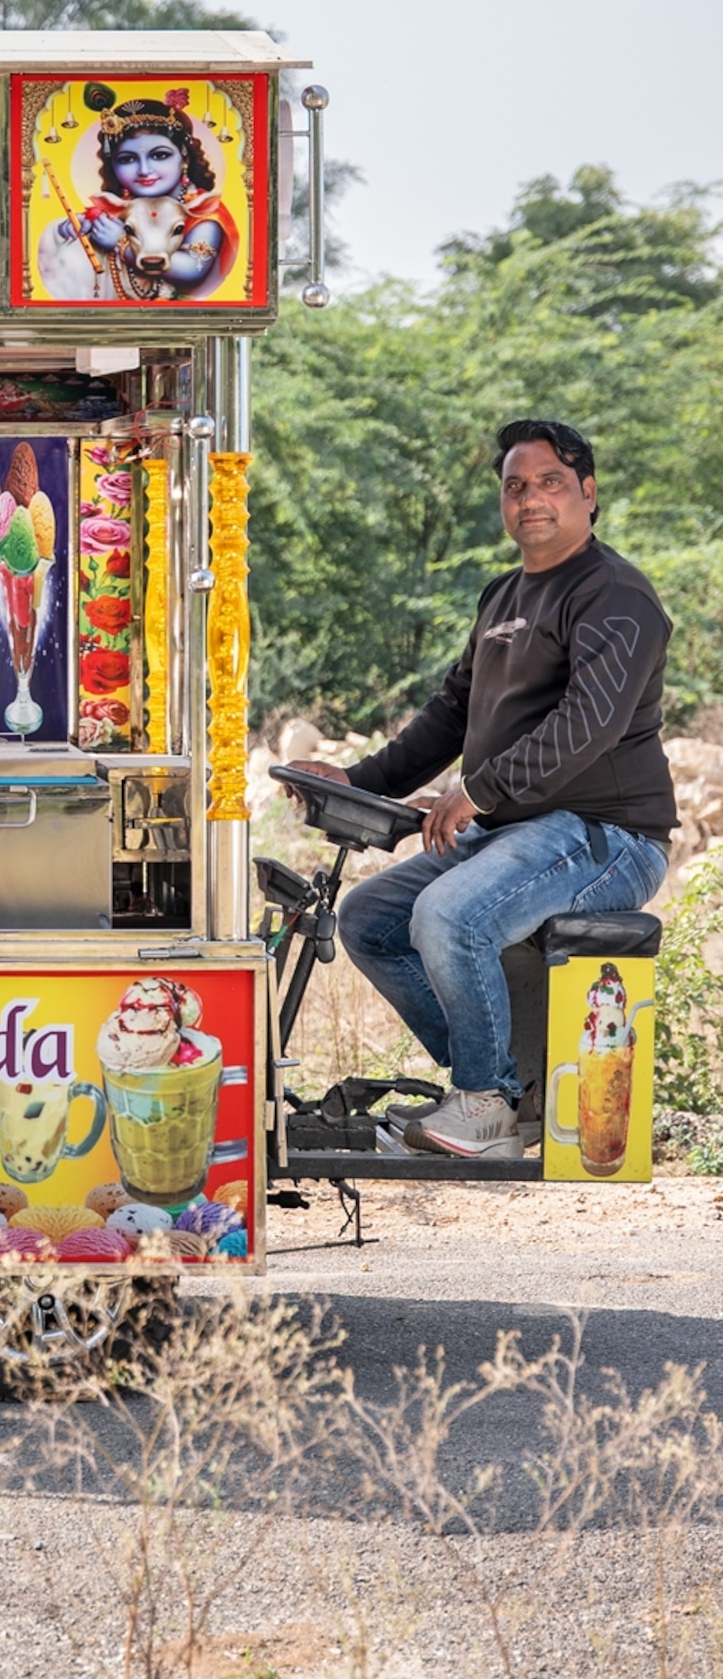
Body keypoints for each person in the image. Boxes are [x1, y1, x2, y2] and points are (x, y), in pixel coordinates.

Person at [291, 418, 673, 1160]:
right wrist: (358, 784)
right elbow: (450, 715)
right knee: (370, 917)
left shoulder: (616, 593)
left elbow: (589, 724)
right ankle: (509, 1087)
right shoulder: (504, 595)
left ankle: (485, 1103)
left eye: (551, 482)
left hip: (606, 836)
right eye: (515, 486)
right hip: (513, 830)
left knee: (449, 913)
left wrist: (480, 790)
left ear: (588, 495)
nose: (531, 498)